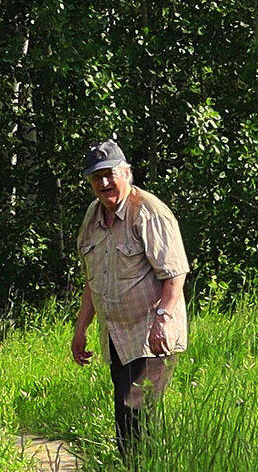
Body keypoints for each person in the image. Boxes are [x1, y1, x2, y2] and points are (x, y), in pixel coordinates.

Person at [71, 140, 189, 457]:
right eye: (97, 178)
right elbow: (93, 280)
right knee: (124, 412)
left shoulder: (149, 212)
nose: (104, 183)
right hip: (117, 335)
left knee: (138, 412)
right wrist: (81, 329)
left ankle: (144, 464)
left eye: (110, 174)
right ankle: (131, 464)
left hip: (150, 332)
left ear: (127, 173)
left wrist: (162, 320)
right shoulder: (93, 216)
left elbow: (175, 274)